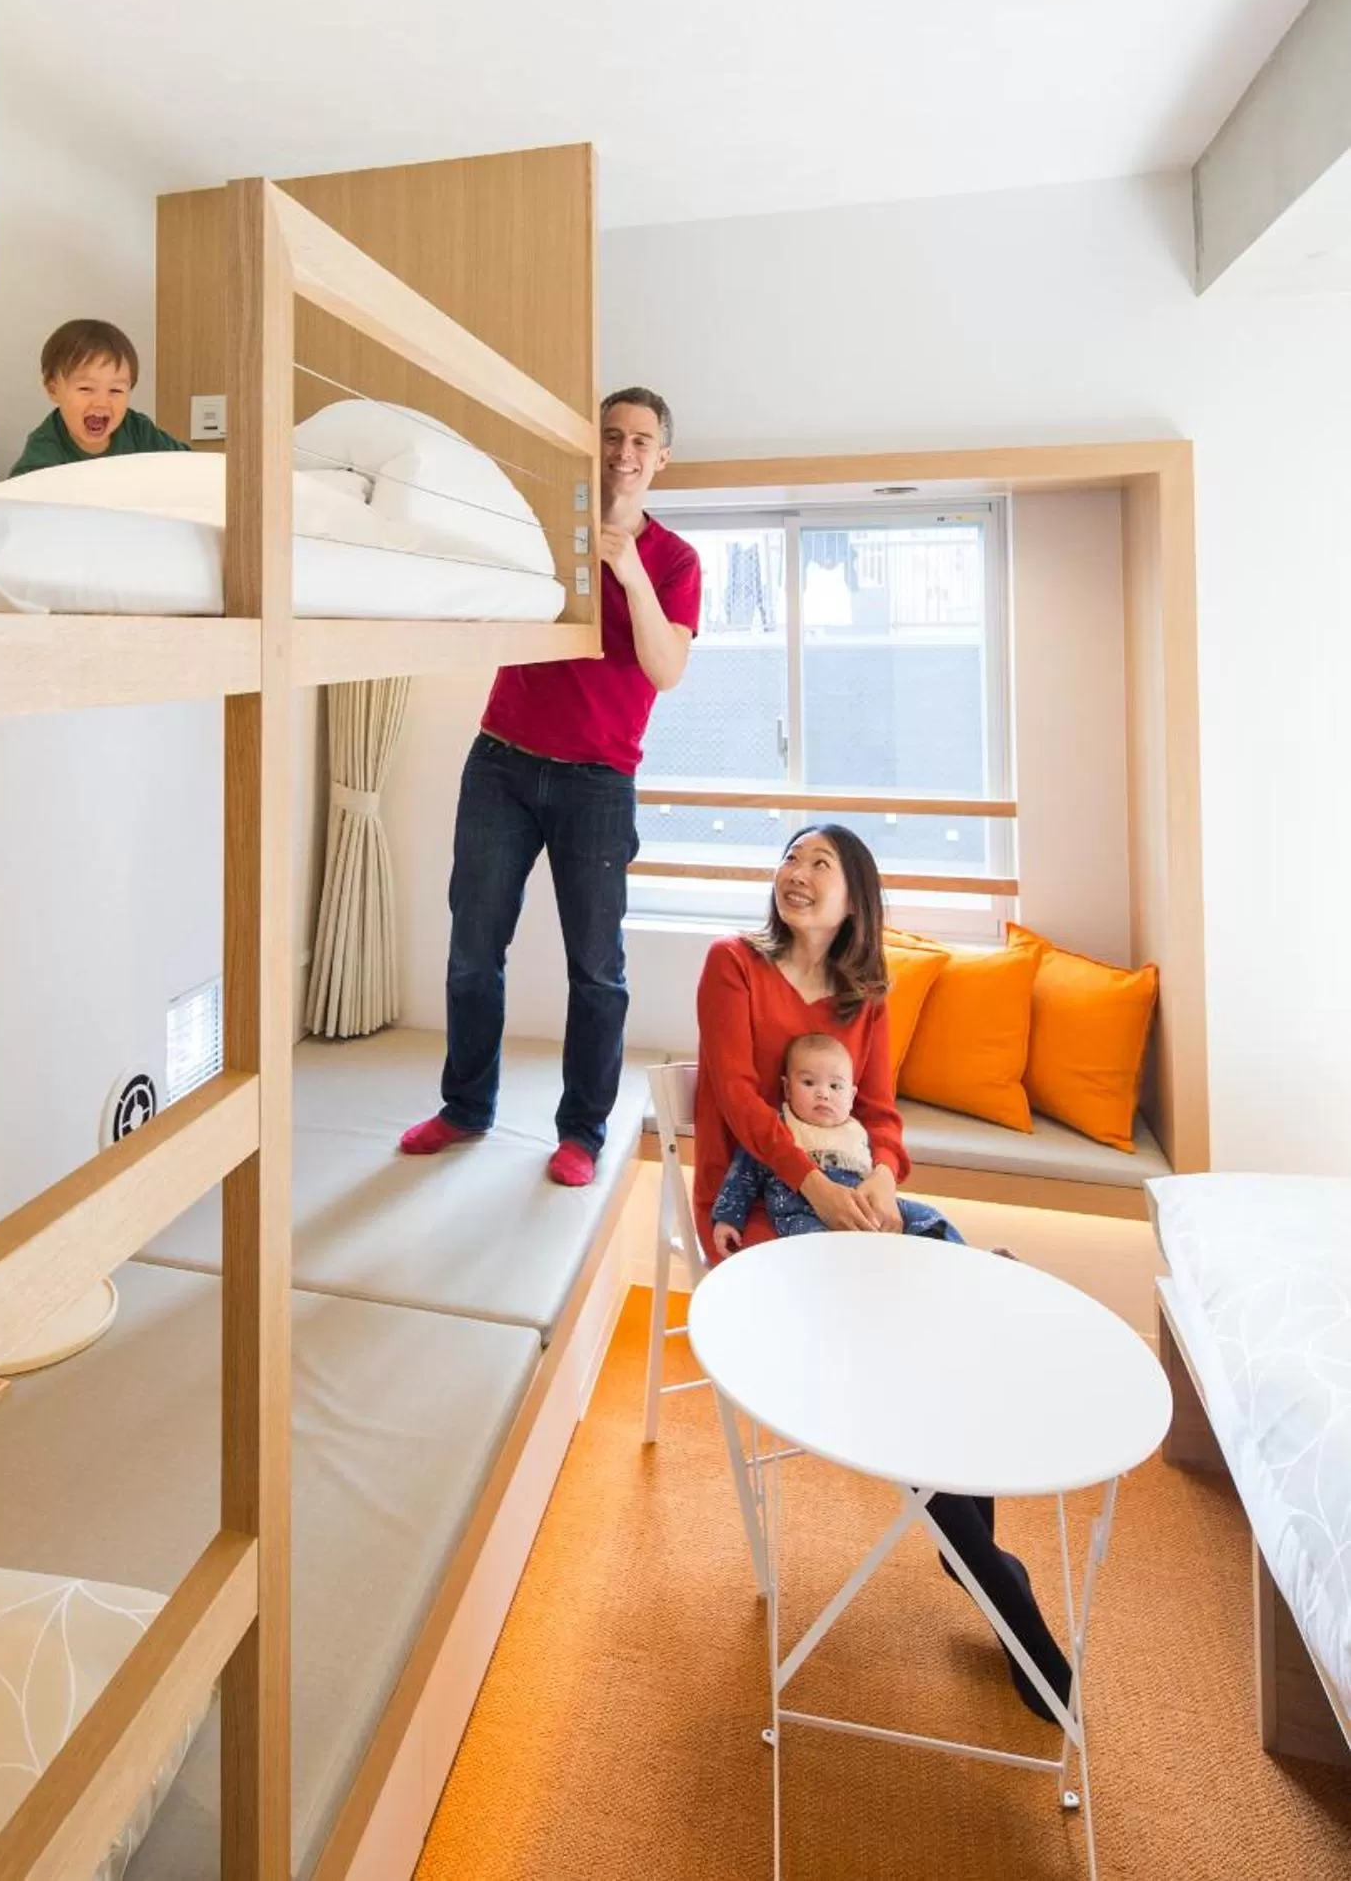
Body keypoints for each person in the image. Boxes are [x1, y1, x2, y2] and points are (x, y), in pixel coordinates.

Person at [694, 825, 1073, 1722]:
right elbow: (737, 1099)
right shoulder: (731, 965)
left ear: (853, 898)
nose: (794, 873)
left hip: (849, 1200)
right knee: (900, 1351)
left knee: (945, 1324)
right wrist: (815, 1187)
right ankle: (991, 1577)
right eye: (789, 858)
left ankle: (968, 1549)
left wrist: (881, 1181)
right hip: (762, 1205)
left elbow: (878, 1114)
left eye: (818, 864)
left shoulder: (864, 996)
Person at [399, 389, 701, 1187]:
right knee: (472, 951)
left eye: (640, 441)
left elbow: (665, 669)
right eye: (611, 436)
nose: (623, 452)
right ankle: (465, 1107)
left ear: (660, 458)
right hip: (501, 762)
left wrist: (626, 570)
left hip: (598, 781)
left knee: (595, 968)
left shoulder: (674, 561)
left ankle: (581, 1132)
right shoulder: (542, 529)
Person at [711, 1031, 962, 1256]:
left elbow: (881, 1163)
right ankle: (850, 1274)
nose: (823, 1093)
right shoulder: (779, 1126)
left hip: (863, 1205)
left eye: (835, 1086)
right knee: (817, 1246)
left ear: (851, 1096)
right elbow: (742, 1176)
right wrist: (728, 1219)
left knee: (927, 1216)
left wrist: (880, 1201)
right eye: (809, 1083)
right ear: (787, 1089)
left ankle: (961, 1260)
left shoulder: (858, 1131)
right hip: (802, 1211)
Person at [9, 320, 188, 475]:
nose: (102, 402)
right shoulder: (46, 448)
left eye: (116, 390)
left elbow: (190, 465)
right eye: (86, 388)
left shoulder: (139, 431)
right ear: (53, 390)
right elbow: (21, 495)